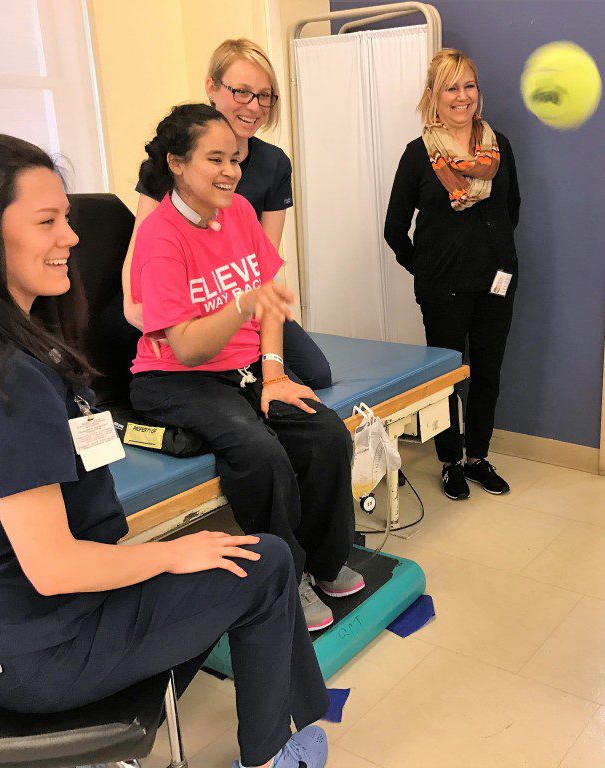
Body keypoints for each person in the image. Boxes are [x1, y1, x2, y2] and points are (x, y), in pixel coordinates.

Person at [0, 131, 329, 768]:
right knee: (262, 566)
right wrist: (176, 552)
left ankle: (277, 722)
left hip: (31, 618)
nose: (71, 239)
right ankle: (272, 755)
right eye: (47, 222)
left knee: (231, 565)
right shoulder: (0, 380)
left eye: (66, 218)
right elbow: (53, 568)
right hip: (39, 646)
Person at [128, 104, 360, 633]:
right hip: (173, 380)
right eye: (216, 159)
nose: (231, 171)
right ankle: (284, 578)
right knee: (260, 452)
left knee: (325, 431)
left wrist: (275, 373)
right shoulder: (161, 236)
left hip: (241, 369)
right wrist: (242, 304)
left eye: (234, 159)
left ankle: (325, 563)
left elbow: (270, 302)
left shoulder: (238, 214)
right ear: (178, 164)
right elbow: (186, 347)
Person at [122, 38, 332, 390]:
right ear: (212, 88)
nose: (254, 106)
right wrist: (154, 322)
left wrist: (271, 362)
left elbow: (263, 269)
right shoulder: (175, 162)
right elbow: (137, 262)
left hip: (245, 301)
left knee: (315, 374)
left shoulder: (274, 164)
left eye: (264, 95)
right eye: (242, 92)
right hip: (188, 309)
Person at [384, 48, 520, 501]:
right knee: (447, 377)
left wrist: (491, 253)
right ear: (433, 97)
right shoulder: (418, 155)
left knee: (488, 373)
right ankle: (449, 462)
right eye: (451, 87)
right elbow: (394, 229)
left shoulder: (499, 147)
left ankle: (477, 456)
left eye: (469, 86)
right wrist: (427, 269)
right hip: (443, 289)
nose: (462, 96)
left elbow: (510, 211)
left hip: (496, 283)